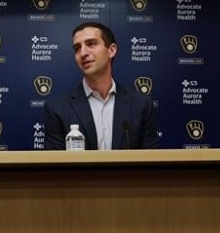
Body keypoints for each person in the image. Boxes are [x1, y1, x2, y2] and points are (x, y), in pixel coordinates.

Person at [44, 21, 159, 150]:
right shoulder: (57, 109)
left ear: (111, 50)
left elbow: (151, 159)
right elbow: (55, 162)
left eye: (91, 44)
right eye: (77, 48)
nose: (83, 53)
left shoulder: (140, 104)